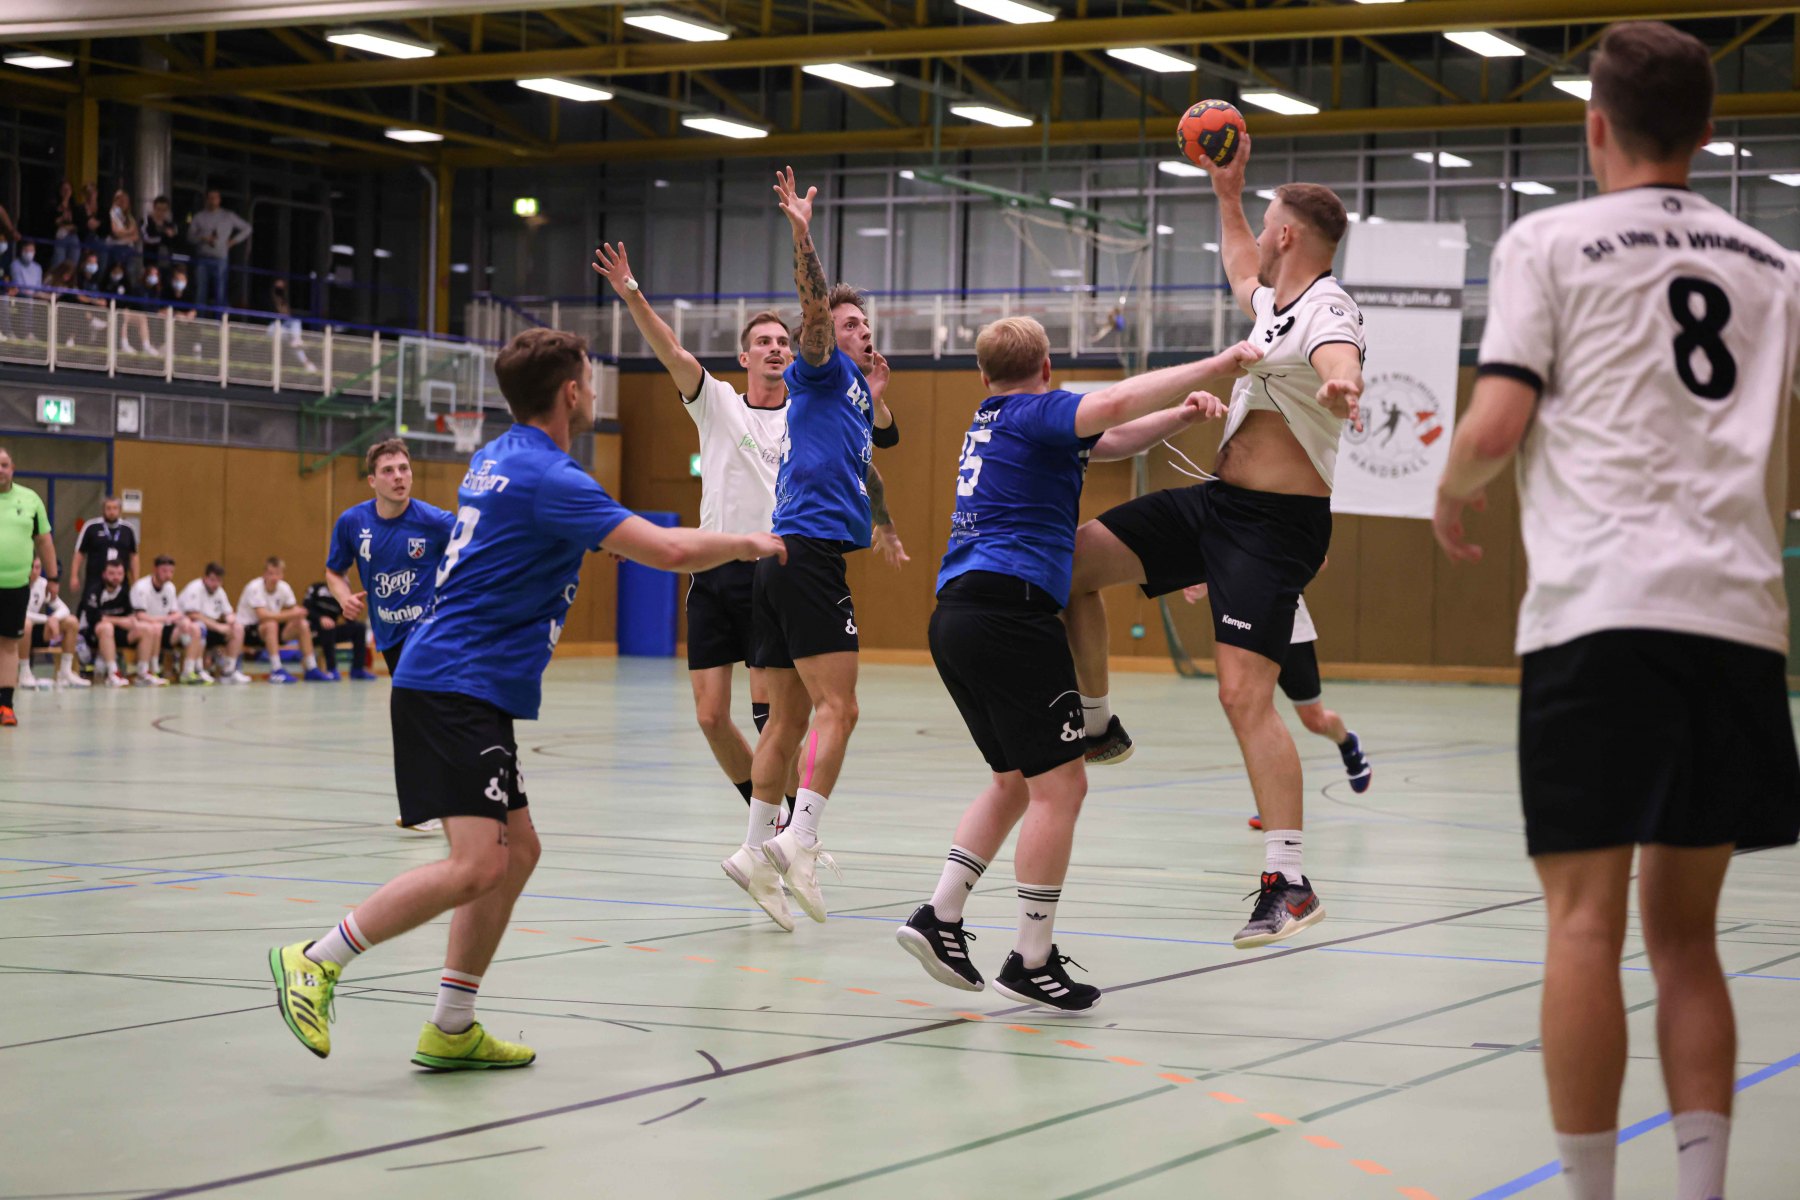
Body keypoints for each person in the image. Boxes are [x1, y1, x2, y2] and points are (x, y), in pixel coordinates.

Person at [1432, 23, 1800, 1200]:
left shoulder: (1548, 242)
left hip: (1599, 615)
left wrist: (1450, 485)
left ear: (1596, 127)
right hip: (1736, 622)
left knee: (1584, 923)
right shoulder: (1773, 265)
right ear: (1708, 132)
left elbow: (1497, 424)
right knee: (1687, 937)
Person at [268, 326, 784, 1069]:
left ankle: (452, 1025)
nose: (594, 388)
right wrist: (751, 542)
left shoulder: (496, 457)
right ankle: (317, 959)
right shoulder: (552, 478)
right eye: (589, 377)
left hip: (465, 684)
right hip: (454, 685)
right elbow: (669, 550)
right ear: (572, 392)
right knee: (478, 864)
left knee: (521, 851)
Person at [897, 317, 1260, 1010]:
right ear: (1048, 369)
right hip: (1011, 617)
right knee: (1061, 790)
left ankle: (939, 916)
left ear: (983, 376)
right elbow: (1113, 404)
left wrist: (1179, 416)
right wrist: (1214, 366)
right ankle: (1030, 959)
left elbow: (1112, 435)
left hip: (958, 615)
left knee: (1013, 782)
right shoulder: (1039, 411)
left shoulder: (992, 419)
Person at [1060, 131, 1365, 951]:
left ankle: (1290, 880)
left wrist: (1343, 382)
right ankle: (1097, 722)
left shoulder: (1328, 309)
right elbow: (1240, 269)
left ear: (1289, 235)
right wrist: (1228, 193)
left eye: (1265, 221)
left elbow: (1339, 354)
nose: (1257, 234)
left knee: (1242, 696)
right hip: (1218, 506)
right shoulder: (1275, 304)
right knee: (1072, 561)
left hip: (1274, 528)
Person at [718, 167, 896, 930]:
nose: (861, 332)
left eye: (863, 325)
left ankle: (754, 850)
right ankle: (801, 839)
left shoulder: (853, 395)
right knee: (840, 708)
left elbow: (864, 467)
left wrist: (885, 522)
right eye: (852, 324)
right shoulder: (819, 370)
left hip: (784, 557)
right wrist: (802, 232)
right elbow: (814, 314)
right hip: (808, 553)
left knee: (787, 721)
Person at [1180, 585, 1373, 828]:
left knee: (1315, 721)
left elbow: (1316, 563)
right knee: (1253, 714)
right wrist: (1204, 584)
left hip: (1289, 624)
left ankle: (1347, 743)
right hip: (1244, 626)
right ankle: (1272, 806)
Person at [325, 438, 454, 677]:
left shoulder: (436, 522)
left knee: (412, 696)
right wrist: (344, 598)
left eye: (404, 468)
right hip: (388, 635)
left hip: (430, 633)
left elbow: (473, 559)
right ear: (372, 481)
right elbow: (334, 572)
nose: (398, 476)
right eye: (388, 470)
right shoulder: (352, 522)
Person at [0, 448, 60, 725]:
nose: (0, 470)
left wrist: (53, 578)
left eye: (4, 465)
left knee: (9, 645)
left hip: (15, 586)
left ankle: (5, 705)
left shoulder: (30, 500)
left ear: (13, 468)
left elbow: (44, 542)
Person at [238, 556, 327, 683]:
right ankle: (276, 669)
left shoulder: (284, 587)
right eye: (270, 573)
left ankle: (311, 668)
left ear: (282, 575)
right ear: (264, 574)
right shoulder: (254, 587)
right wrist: (292, 614)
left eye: (277, 574)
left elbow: (294, 610)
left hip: (273, 630)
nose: (274, 577)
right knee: (270, 624)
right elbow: (263, 616)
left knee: (302, 624)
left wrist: (301, 613)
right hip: (248, 631)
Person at [130, 554, 199, 686]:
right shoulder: (141, 587)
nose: (168, 575)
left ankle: (188, 672)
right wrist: (165, 619)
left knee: (194, 628)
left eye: (171, 572)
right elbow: (140, 616)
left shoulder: (170, 587)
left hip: (165, 629)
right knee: (155, 628)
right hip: (145, 629)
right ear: (155, 569)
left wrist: (183, 621)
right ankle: (152, 671)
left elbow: (174, 613)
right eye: (164, 571)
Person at [178, 562, 249, 684]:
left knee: (238, 628)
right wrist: (218, 627)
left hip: (211, 629)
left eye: (219, 580)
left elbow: (228, 612)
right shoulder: (195, 588)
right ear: (205, 578)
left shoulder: (219, 592)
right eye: (212, 580)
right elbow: (193, 615)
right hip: (188, 630)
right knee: (199, 627)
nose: (215, 584)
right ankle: (196, 670)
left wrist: (231, 620)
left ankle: (228, 671)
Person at [79, 561, 143, 689]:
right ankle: (113, 673)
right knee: (106, 627)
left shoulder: (125, 591)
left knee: (147, 629)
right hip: (90, 634)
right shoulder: (94, 591)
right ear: (104, 574)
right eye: (112, 573)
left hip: (116, 633)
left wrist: (116, 620)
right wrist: (120, 621)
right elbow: (94, 619)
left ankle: (144, 672)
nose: (116, 577)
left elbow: (130, 618)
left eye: (119, 574)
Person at [23, 556, 82, 690]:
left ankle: (65, 672)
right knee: (26, 624)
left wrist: (54, 618)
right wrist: (47, 619)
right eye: (31, 567)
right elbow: (20, 613)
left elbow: (64, 609)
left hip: (38, 630)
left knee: (71, 621)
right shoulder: (15, 584)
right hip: (16, 631)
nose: (34, 571)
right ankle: (24, 673)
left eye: (37, 567)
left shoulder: (43, 584)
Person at [187, 189, 250, 310]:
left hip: (220, 258)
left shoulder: (228, 216)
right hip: (203, 258)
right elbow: (190, 237)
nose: (212, 201)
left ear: (219, 200)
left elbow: (247, 228)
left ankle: (220, 319)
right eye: (210, 198)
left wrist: (233, 241)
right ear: (206, 200)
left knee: (220, 292)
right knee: (200, 291)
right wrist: (203, 238)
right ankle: (200, 318)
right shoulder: (199, 216)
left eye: (215, 198)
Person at [73, 497, 139, 607]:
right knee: (90, 607)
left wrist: (135, 580)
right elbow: (79, 553)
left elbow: (134, 556)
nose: (111, 512)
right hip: (95, 579)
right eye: (108, 508)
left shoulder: (128, 529)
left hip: (119, 580)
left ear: (119, 510)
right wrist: (74, 576)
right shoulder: (91, 527)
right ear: (103, 510)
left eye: (115, 508)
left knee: (122, 608)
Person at [302, 580, 361, 682]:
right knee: (328, 627)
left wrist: (353, 609)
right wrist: (320, 618)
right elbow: (305, 609)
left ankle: (358, 669)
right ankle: (331, 669)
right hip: (313, 631)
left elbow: (348, 618)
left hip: (331, 632)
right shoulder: (316, 588)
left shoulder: (340, 595)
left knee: (359, 628)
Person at [268, 280, 317, 371]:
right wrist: (275, 288)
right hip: (272, 329)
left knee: (294, 339)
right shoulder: (274, 299)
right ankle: (299, 344)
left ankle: (306, 362)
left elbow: (286, 314)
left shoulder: (284, 301)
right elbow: (277, 300)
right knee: (294, 327)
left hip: (283, 331)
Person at [140, 196, 178, 272]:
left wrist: (172, 235)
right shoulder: (146, 221)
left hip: (166, 262)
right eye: (158, 209)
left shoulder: (170, 224)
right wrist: (163, 234)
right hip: (150, 261)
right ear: (154, 208)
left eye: (164, 210)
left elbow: (174, 242)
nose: (161, 212)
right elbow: (146, 238)